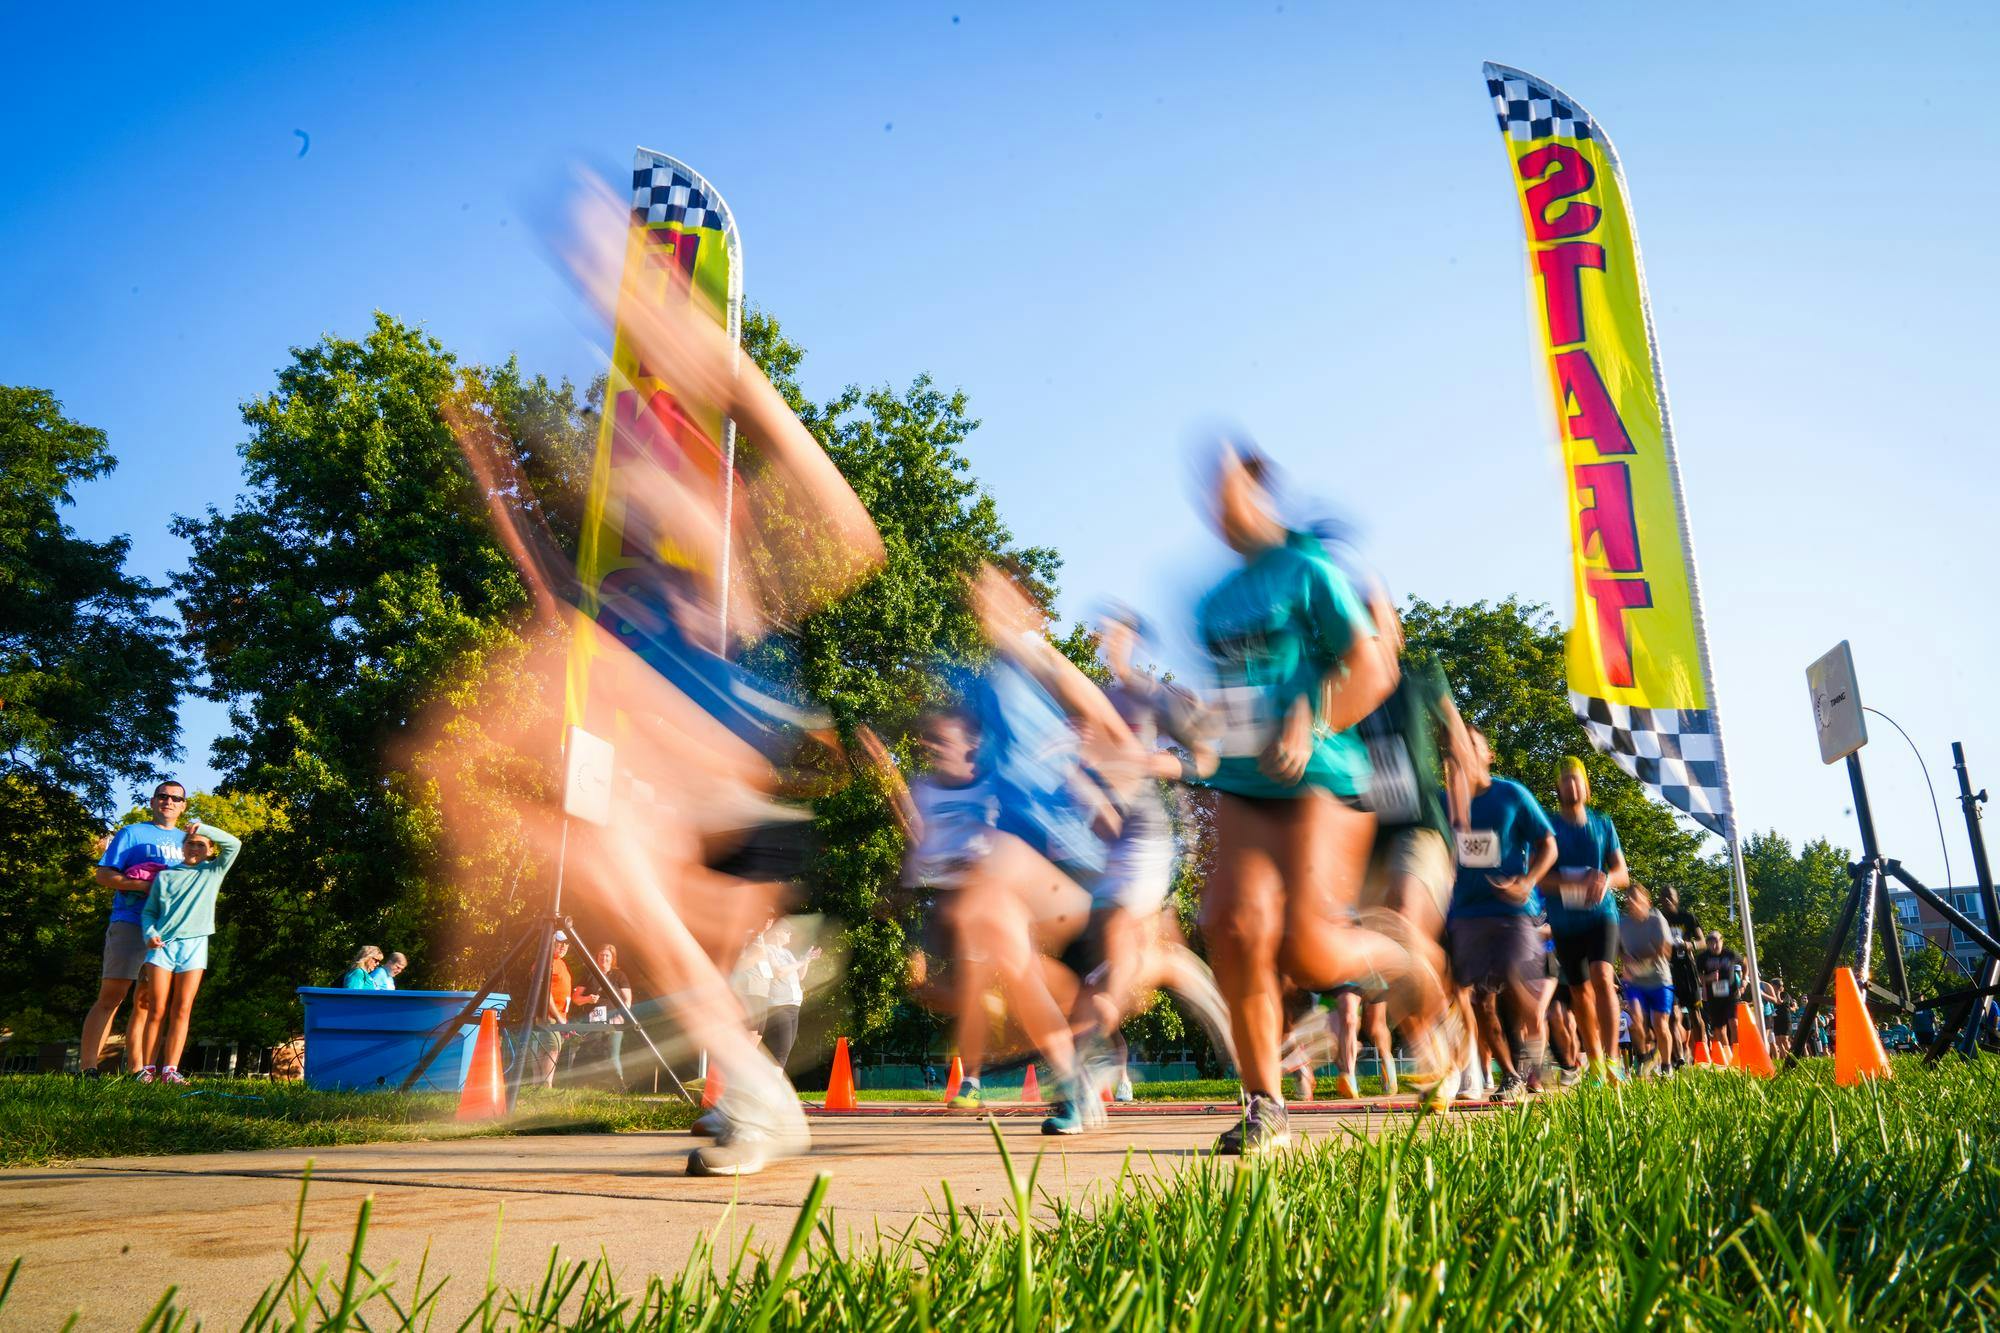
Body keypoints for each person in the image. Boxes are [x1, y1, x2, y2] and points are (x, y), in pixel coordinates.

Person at [1190, 440, 1423, 1156]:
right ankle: (1265, 1102)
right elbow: (1231, 702)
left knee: (1310, 951)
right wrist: (1196, 733)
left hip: (1321, 776)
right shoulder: (1213, 601)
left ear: (1258, 488)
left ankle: (1412, 960)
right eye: (1206, 489)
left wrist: (1312, 710)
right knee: (1230, 924)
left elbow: (1374, 667)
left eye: (1227, 482)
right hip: (1245, 781)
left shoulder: (1309, 568)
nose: (1214, 500)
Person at [1445, 725, 1559, 1103]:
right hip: (1465, 913)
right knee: (1478, 1001)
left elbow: (1548, 845)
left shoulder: (1511, 795)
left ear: (1487, 754)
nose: (1463, 750)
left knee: (1514, 982)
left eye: (1471, 744)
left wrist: (1528, 881)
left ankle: (1534, 1054)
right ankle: (1510, 1076)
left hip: (1513, 911)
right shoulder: (1449, 803)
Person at [79, 782, 189, 1076]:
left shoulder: (187, 840)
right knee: (111, 997)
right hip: (130, 922)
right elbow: (103, 875)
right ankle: (88, 1068)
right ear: (153, 802)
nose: (168, 801)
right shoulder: (132, 833)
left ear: (183, 806)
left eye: (175, 798)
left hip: (167, 931)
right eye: (163, 796)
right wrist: (141, 885)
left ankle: (139, 1071)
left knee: (146, 1002)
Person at [125, 820, 242, 1083]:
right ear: (183, 847)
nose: (195, 848)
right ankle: (147, 1069)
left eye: (201, 845)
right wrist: (149, 933)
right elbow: (150, 913)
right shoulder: (165, 876)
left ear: (210, 850)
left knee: (183, 1008)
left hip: (195, 945)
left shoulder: (212, 872)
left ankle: (170, 1070)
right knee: (156, 1008)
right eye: (190, 843)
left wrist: (202, 829)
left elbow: (234, 844)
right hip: (162, 947)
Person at [1539, 758, 1629, 1085]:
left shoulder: (1603, 824)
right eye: (1565, 780)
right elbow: (1540, 878)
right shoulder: (1548, 828)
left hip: (1601, 915)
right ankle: (1594, 1062)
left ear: (1587, 787)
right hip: (1566, 922)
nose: (1571, 786)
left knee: (1603, 975)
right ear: (1557, 788)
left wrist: (1605, 880)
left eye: (1576, 780)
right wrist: (1570, 884)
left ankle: (1614, 1061)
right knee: (1578, 991)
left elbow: (1622, 872)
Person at [1618, 884, 1675, 1076]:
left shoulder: (1656, 919)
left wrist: (1644, 960)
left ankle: (1667, 1066)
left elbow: (1666, 952)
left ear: (1647, 902)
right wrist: (1626, 960)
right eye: (1628, 899)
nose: (1631, 902)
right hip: (1635, 982)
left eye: (1636, 898)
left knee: (1660, 1024)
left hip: (1660, 980)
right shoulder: (1623, 924)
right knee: (1635, 1020)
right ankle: (1643, 1058)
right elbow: (1618, 950)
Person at [755, 921, 819, 1072]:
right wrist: (801, 961)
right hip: (778, 1006)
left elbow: (800, 976)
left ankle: (765, 1088)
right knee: (780, 1052)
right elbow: (779, 972)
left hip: (793, 1005)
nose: (790, 934)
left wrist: (806, 961)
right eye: (787, 931)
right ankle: (771, 1091)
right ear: (778, 932)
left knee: (785, 1051)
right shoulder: (768, 950)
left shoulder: (787, 953)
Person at [570, 943, 633, 1089]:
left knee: (612, 1054)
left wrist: (620, 1015)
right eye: (601, 955)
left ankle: (619, 1087)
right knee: (587, 1053)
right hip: (593, 1022)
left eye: (607, 956)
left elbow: (628, 1000)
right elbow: (576, 998)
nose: (604, 958)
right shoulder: (589, 974)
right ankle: (583, 1085)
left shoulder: (619, 975)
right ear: (596, 957)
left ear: (612, 958)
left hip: (614, 1021)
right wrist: (587, 999)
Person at [1657, 885, 1703, 1066]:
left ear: (1677, 898)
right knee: (1672, 1016)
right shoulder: (1657, 919)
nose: (1666, 899)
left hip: (1687, 970)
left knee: (1695, 1014)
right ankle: (1679, 1058)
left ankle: (1701, 1053)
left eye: (1670, 896)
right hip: (1667, 971)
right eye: (1663, 896)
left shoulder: (1688, 917)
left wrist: (1689, 945)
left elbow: (1703, 941)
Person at [533, 931, 573, 1088]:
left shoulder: (561, 963)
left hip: (557, 1016)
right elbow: (545, 992)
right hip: (548, 1015)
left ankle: (539, 1085)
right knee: (553, 1048)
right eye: (560, 942)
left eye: (566, 944)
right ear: (551, 942)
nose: (563, 946)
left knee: (547, 1049)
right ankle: (546, 1086)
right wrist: (558, 1016)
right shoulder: (546, 961)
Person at [1696, 931, 1742, 1064]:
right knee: (1719, 1028)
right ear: (1707, 944)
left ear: (1722, 941)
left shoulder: (1730, 954)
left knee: (1734, 1023)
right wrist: (1707, 978)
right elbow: (1698, 976)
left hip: (1731, 994)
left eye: (1717, 941)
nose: (1714, 945)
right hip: (1714, 996)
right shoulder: (1702, 958)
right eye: (1711, 942)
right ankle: (1728, 1057)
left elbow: (1745, 962)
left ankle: (1737, 1053)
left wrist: (1744, 980)